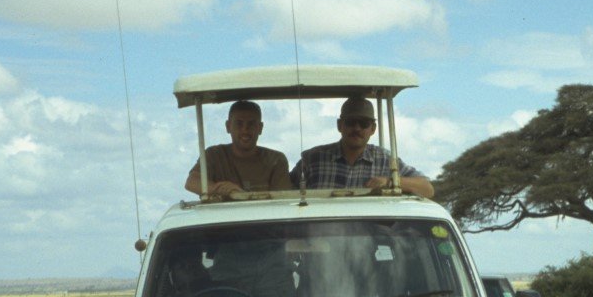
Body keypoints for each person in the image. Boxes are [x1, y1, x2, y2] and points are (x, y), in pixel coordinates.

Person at [290, 97, 435, 198]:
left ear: (373, 129)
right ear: (339, 125)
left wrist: (389, 182)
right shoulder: (312, 159)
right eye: (351, 122)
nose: (357, 128)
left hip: (369, 240)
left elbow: (427, 189)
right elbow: (282, 194)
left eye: (364, 123)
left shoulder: (386, 161)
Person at [185, 100, 292, 196]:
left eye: (251, 124)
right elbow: (191, 182)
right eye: (239, 124)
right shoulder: (213, 155)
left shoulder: (276, 160)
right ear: (228, 126)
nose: (245, 130)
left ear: (260, 128)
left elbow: (282, 200)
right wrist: (218, 189)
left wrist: (241, 195)